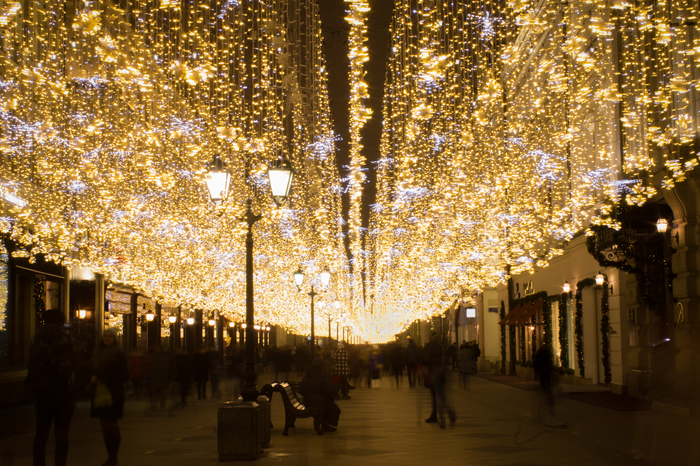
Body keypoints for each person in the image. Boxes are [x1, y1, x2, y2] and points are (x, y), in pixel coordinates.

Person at [26, 309, 74, 466]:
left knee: (41, 432)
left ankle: (38, 463)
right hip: (61, 394)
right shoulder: (64, 339)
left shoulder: (36, 339)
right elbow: (69, 366)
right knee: (61, 435)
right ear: (60, 321)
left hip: (41, 392)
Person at [90, 327, 129, 466]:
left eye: (110, 336)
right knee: (104, 424)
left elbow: (124, 374)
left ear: (115, 339)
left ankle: (113, 456)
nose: (106, 338)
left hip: (113, 392)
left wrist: (101, 376)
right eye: (105, 336)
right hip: (100, 392)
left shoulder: (118, 354)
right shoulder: (97, 352)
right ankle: (109, 455)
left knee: (112, 423)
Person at [299, 358, 341, 432]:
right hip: (317, 401)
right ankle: (326, 424)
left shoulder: (308, 374)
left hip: (308, 400)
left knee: (328, 404)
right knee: (334, 408)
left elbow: (302, 389)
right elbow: (329, 390)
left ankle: (325, 423)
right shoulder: (322, 376)